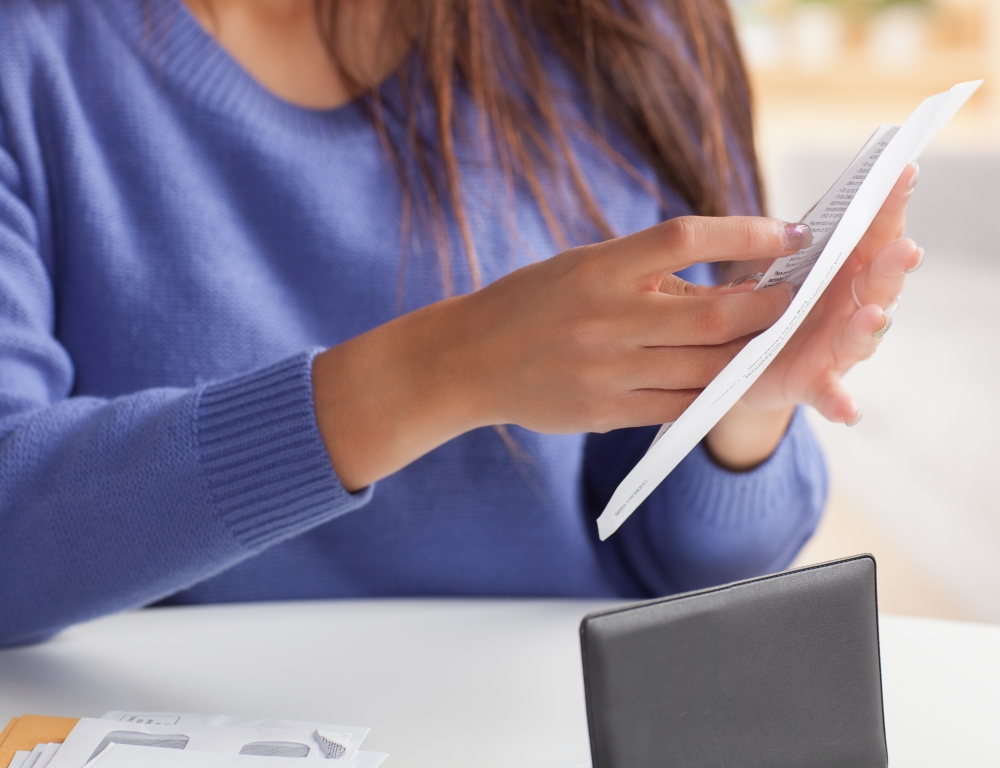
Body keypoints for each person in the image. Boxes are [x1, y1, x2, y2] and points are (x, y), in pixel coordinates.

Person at [0, 0, 921, 648]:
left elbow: (690, 566)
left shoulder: (627, 29)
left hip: (556, 725)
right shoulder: (35, 57)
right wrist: (447, 368)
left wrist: (739, 412)